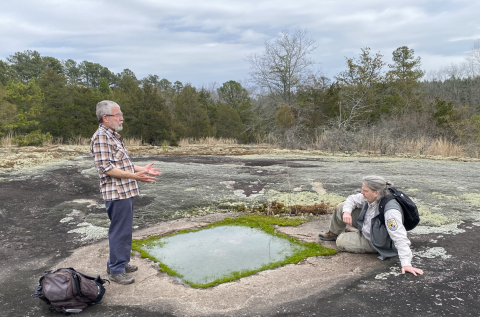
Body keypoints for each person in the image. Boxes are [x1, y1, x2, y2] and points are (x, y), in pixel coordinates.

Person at [90, 100, 161, 285]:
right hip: (116, 192)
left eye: (121, 114)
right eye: (118, 115)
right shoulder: (101, 137)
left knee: (125, 230)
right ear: (105, 118)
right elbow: (106, 168)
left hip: (125, 191)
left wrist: (141, 170)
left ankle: (119, 262)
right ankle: (116, 269)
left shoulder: (113, 135)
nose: (122, 118)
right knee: (119, 230)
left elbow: (122, 163)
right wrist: (135, 176)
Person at [318, 175, 424, 276]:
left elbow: (399, 236)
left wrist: (406, 264)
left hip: (375, 240)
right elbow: (352, 199)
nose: (361, 192)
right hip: (369, 227)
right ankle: (334, 233)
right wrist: (346, 212)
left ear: (376, 193)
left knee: (341, 241)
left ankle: (353, 234)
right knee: (342, 207)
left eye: (365, 191)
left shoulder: (390, 211)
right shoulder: (371, 196)